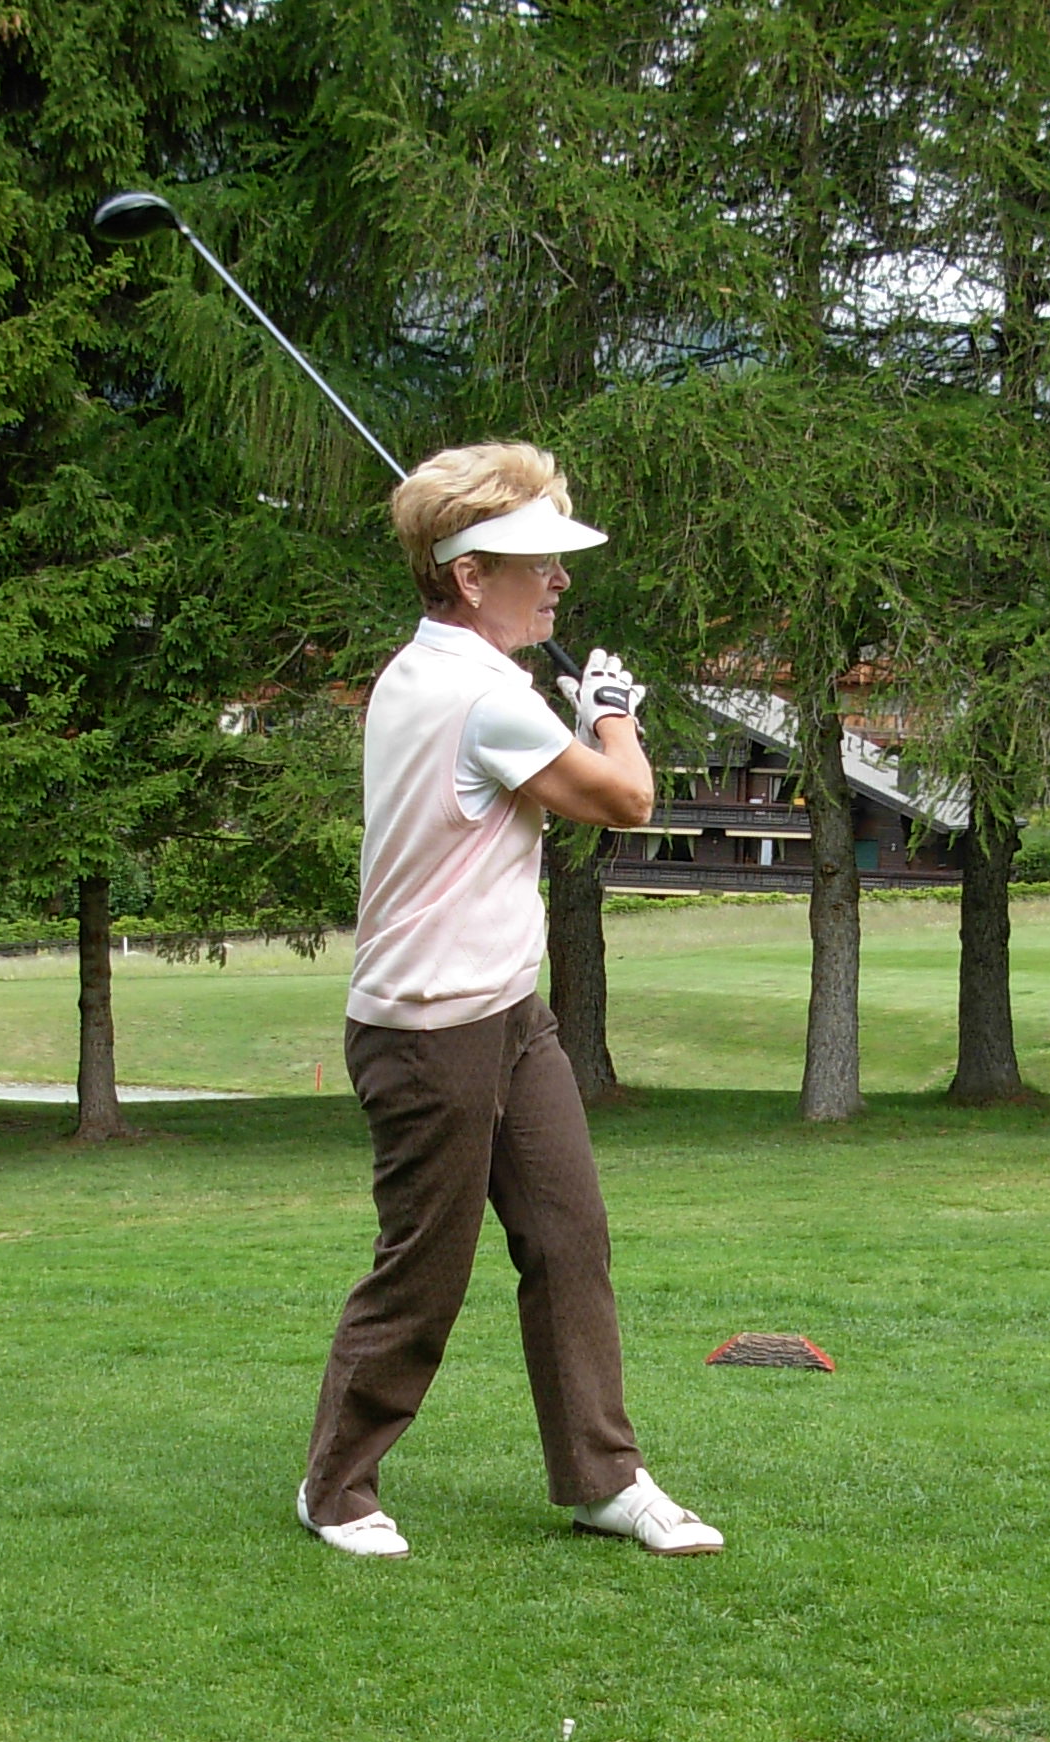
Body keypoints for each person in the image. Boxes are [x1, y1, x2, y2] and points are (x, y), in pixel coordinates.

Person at [296, 442, 726, 1562]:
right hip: (426, 1032)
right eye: (538, 563)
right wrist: (614, 711)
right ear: (471, 575)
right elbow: (627, 799)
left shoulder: (432, 672)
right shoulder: (479, 697)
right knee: (423, 1272)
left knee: (570, 1237)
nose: (561, 580)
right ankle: (334, 1488)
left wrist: (571, 717)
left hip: (508, 1014)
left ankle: (603, 1478)